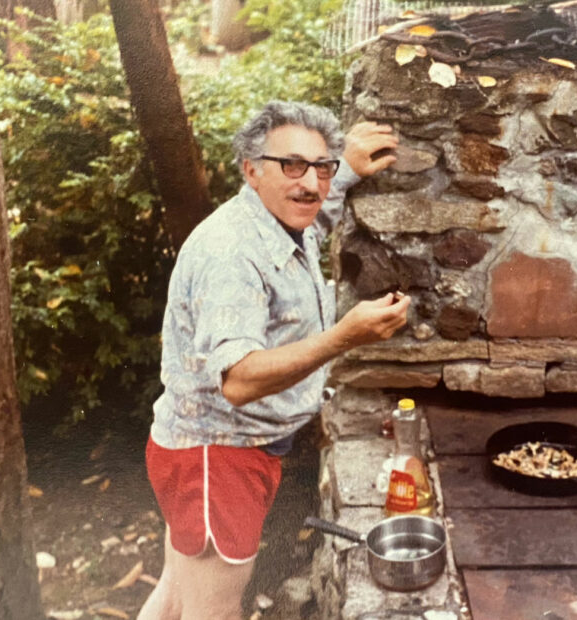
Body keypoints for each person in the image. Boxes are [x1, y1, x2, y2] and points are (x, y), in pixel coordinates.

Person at [138, 101, 405, 619]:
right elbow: (237, 380)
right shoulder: (232, 255)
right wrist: (345, 336)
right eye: (292, 165)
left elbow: (313, 213)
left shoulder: (280, 219)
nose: (310, 183)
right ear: (250, 169)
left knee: (175, 599)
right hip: (217, 458)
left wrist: (343, 167)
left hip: (204, 448)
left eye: (320, 167)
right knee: (210, 612)